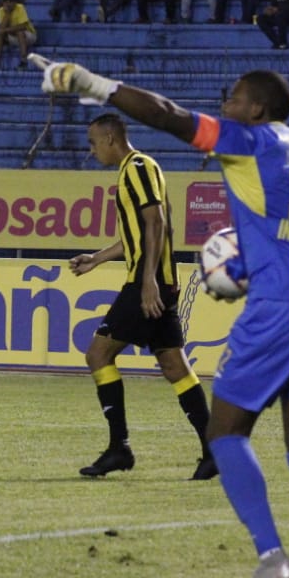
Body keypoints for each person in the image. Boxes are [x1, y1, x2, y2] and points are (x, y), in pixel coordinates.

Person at [31, 57, 289, 578]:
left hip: (277, 309)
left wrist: (94, 85)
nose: (224, 105)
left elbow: (171, 117)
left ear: (255, 110)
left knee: (226, 433)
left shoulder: (245, 141)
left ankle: (273, 556)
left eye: (233, 99)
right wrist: (247, 260)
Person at [65, 114, 216, 481]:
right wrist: (96, 259)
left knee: (98, 354)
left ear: (111, 137)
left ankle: (120, 448)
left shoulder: (138, 167)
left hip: (147, 282)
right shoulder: (133, 170)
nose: (92, 150)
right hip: (154, 279)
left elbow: (157, 223)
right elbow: (137, 235)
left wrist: (148, 280)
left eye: (94, 142)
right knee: (174, 366)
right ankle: (217, 451)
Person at [0, 0, 36, 68]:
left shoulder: (20, 7)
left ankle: (23, 61)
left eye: (10, 1)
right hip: (13, 37)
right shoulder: (2, 10)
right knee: (0, 34)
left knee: (19, 32)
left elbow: (23, 26)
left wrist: (6, 30)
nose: (8, 3)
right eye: (6, 1)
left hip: (29, 36)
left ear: (15, 2)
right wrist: (7, 13)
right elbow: (1, 28)